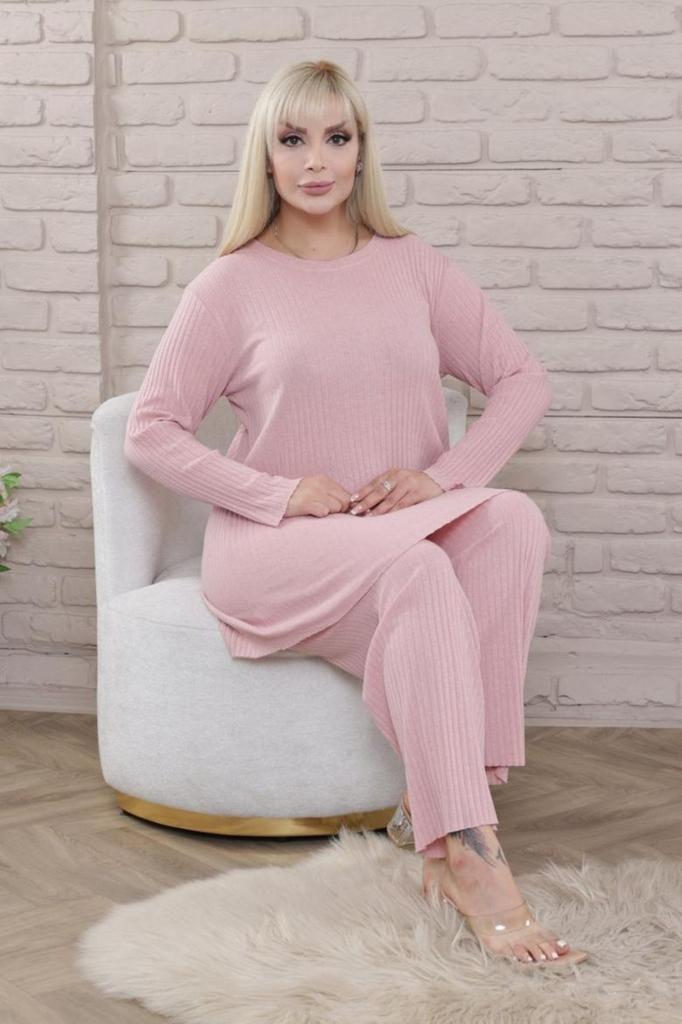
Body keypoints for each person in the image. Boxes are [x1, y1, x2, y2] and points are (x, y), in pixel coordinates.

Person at [124, 59, 587, 968]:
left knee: (511, 522)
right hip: (276, 545)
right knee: (419, 568)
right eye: (292, 139)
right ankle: (473, 855)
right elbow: (150, 431)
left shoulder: (412, 266)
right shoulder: (229, 285)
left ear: (361, 150)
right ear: (264, 157)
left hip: (389, 528)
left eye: (336, 137)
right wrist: (277, 492)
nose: (316, 161)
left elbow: (522, 379)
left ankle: (446, 802)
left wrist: (445, 478)